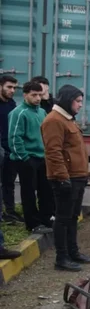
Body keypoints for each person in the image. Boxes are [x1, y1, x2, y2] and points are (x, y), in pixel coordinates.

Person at [42, 84, 90, 271]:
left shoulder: (68, 119)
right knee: (63, 218)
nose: (81, 105)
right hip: (66, 178)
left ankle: (73, 252)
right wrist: (62, 177)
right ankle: (61, 258)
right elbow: (53, 151)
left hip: (77, 176)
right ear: (67, 100)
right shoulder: (54, 120)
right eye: (78, 101)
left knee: (72, 217)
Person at [7, 81, 54, 234]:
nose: (38, 98)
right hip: (27, 159)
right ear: (25, 95)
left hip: (42, 157)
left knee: (45, 190)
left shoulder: (41, 112)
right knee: (28, 192)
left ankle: (46, 218)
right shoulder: (18, 112)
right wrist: (24, 158)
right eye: (34, 95)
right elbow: (14, 138)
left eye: (40, 95)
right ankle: (32, 223)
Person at [0, 75, 23, 224]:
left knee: (9, 182)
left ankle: (9, 211)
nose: (12, 90)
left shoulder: (12, 104)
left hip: (10, 150)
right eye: (9, 87)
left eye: (14, 88)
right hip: (0, 150)